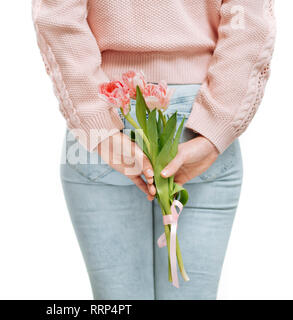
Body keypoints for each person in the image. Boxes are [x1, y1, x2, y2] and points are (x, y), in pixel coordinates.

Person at [32, 0, 276, 299]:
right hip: (196, 121)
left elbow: (59, 15)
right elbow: (247, 17)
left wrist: (98, 127)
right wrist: (217, 126)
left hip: (104, 114)